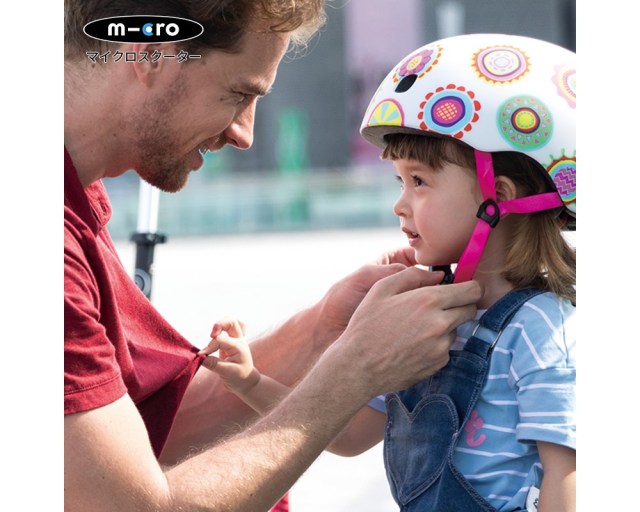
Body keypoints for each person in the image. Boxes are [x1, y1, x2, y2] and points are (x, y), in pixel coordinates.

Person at [63, 2, 485, 511]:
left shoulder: (75, 200)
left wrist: (324, 332)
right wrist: (356, 368)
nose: (245, 135)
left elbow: (137, 435)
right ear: (150, 51)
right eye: (238, 93)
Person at [199, 33, 577, 512]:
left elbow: (569, 478)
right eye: (400, 181)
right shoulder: (418, 321)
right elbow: (349, 434)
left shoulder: (543, 331)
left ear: (498, 195)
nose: (400, 203)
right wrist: (250, 380)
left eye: (419, 181)